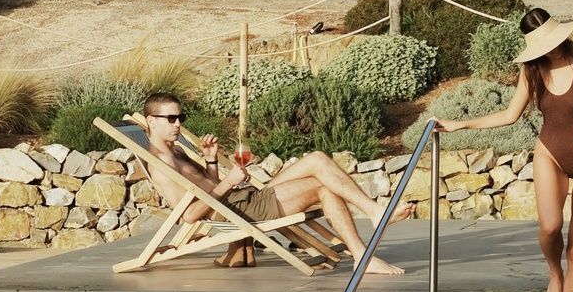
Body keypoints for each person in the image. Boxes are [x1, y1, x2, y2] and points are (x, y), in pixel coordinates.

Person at [432, 10, 573, 292]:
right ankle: (555, 274)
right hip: (550, 154)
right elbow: (510, 115)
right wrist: (459, 125)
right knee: (550, 227)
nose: (551, 49)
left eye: (553, 41)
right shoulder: (532, 69)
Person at [136, 91, 401, 274]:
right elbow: (190, 215)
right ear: (151, 121)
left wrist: (211, 160)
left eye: (180, 118)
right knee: (322, 188)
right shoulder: (161, 166)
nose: (178, 124)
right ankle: (364, 251)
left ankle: (371, 221)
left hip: (245, 199)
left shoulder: (177, 151)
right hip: (239, 211)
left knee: (317, 158)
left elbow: (206, 187)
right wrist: (229, 183)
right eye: (171, 119)